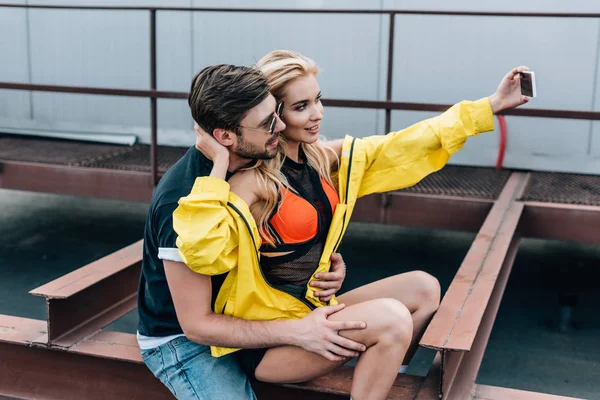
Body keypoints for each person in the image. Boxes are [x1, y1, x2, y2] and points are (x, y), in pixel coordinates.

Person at [174, 51, 531, 399]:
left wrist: (491, 105)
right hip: (272, 344)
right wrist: (219, 163)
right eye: (301, 107)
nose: (317, 115)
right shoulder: (251, 183)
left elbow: (404, 144)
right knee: (392, 318)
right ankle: (378, 362)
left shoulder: (321, 157)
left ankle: (384, 369)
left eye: (317, 100)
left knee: (423, 288)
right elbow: (204, 251)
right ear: (274, 116)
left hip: (311, 311)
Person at [137, 64, 365, 400]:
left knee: (415, 294)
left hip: (245, 315)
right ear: (225, 136)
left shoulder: (258, 161)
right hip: (183, 341)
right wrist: (298, 332)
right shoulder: (182, 204)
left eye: (276, 113)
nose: (283, 126)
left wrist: (325, 266)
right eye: (268, 124)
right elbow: (196, 325)